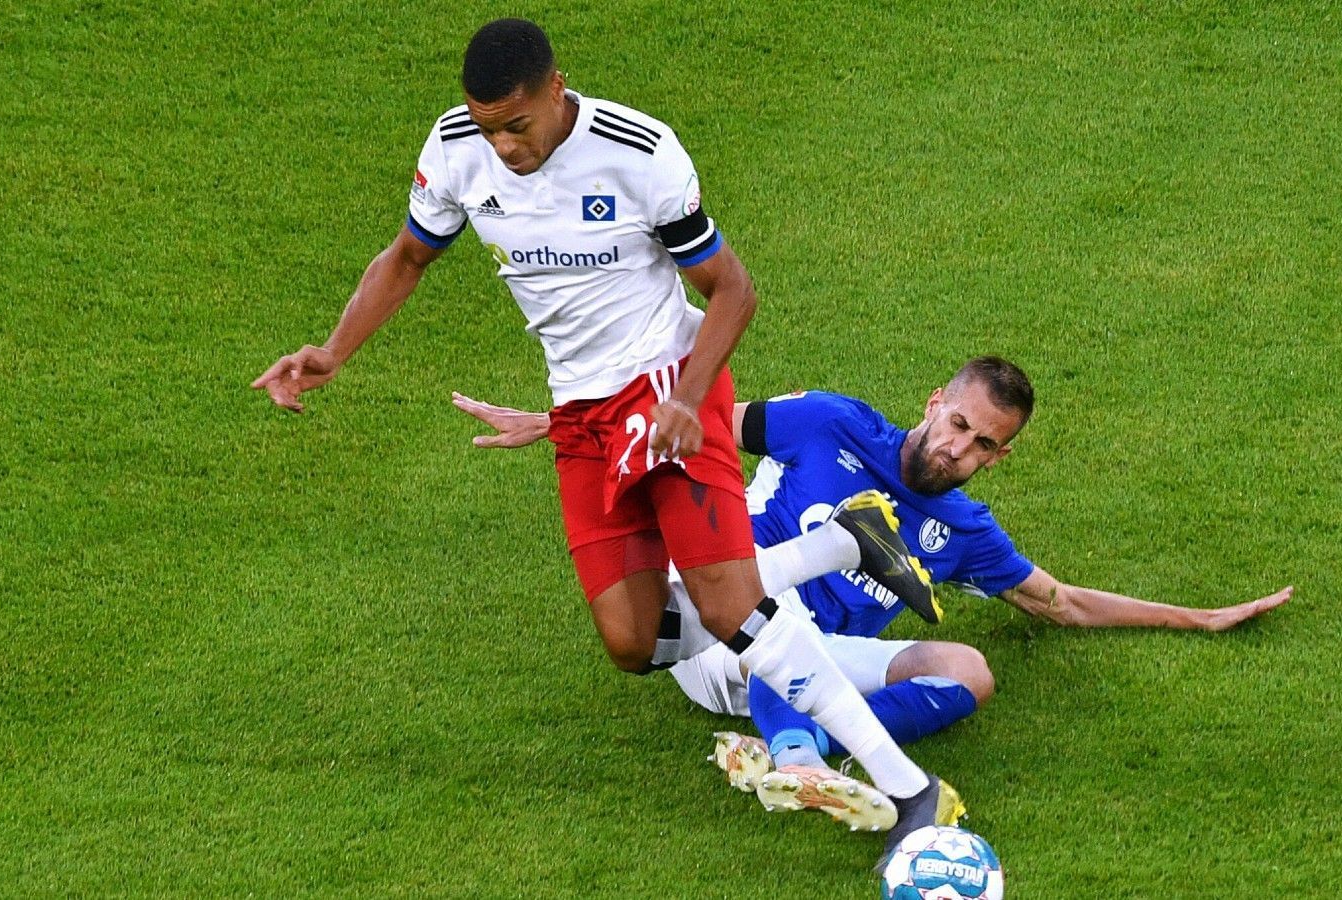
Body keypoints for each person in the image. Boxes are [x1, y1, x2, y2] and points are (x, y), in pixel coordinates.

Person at [252, 18, 962, 852]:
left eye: (517, 126)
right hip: (582, 413)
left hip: (664, 379)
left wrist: (690, 400)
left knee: (731, 608)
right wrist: (333, 352)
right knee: (631, 643)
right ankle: (842, 544)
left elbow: (732, 290)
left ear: (557, 90)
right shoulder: (454, 150)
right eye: (488, 128)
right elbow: (406, 257)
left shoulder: (638, 154)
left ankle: (911, 792)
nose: (504, 147)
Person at [452, 355, 1291, 844]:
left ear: (998, 458)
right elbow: (690, 422)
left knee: (968, 669)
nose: (958, 447)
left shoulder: (964, 530)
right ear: (933, 401)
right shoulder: (829, 422)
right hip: (708, 619)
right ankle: (837, 576)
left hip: (795, 663)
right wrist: (557, 425)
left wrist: (1201, 616)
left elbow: (1060, 602)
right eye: (956, 422)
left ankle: (807, 750)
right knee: (760, 623)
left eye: (981, 444)